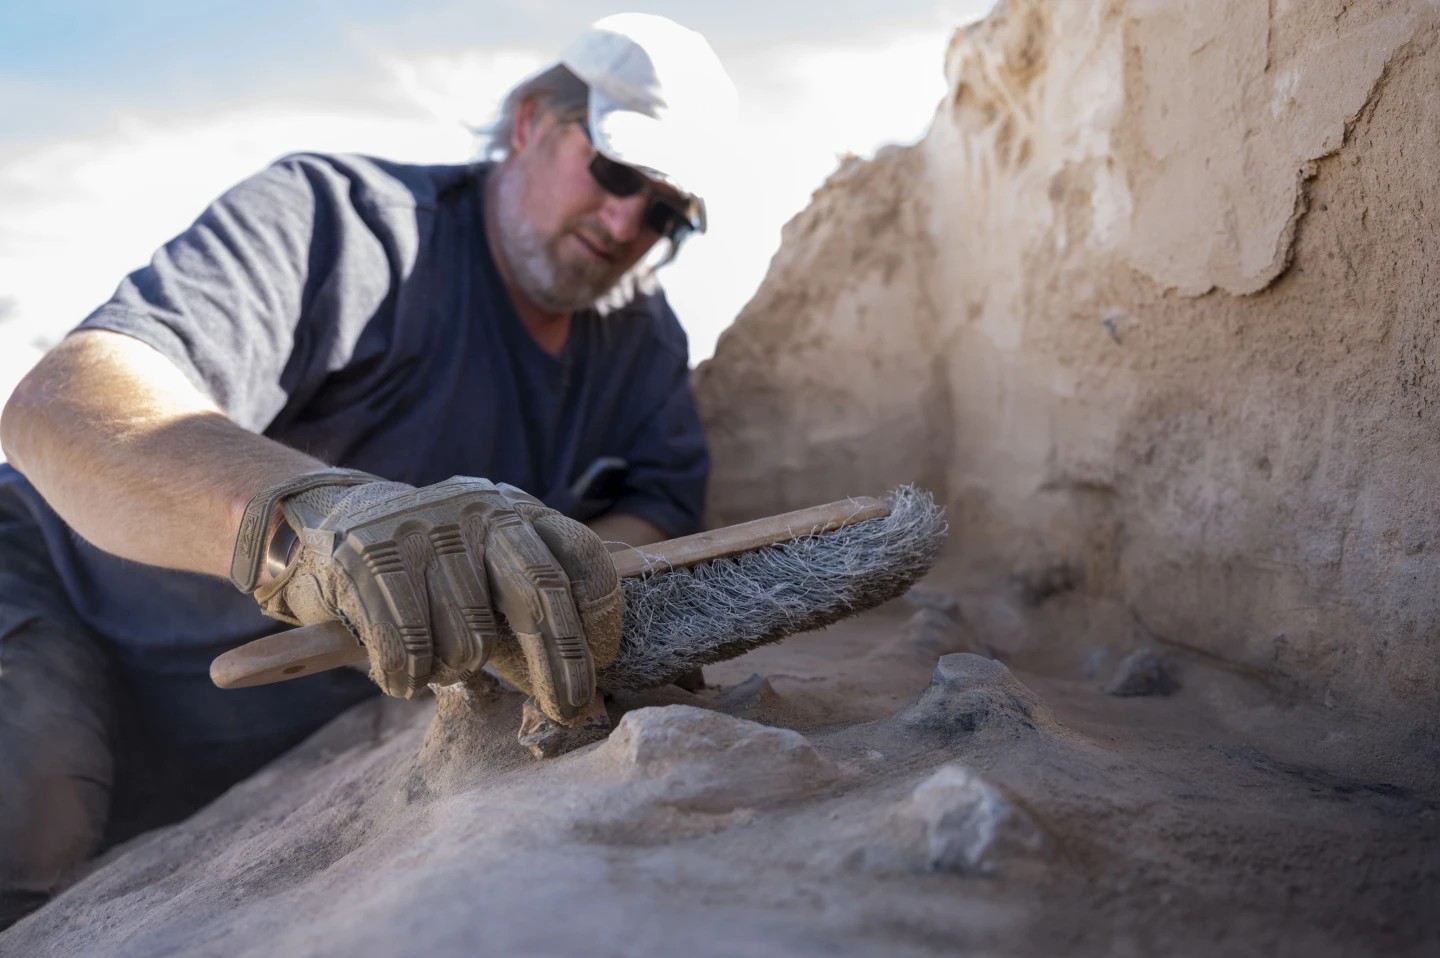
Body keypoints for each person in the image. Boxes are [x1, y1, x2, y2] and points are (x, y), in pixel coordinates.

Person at [0, 13, 737, 929]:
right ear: (531, 124)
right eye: (619, 172)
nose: (630, 222)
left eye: (666, 213)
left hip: (250, 733)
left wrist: (568, 574)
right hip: (55, 606)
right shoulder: (341, 224)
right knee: (30, 837)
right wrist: (327, 519)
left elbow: (660, 498)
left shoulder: (640, 341)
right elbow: (60, 402)